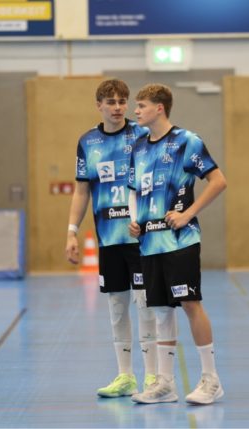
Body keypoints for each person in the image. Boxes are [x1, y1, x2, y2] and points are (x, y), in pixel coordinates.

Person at [127, 83, 227, 405]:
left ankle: (211, 379)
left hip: (180, 241)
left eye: (141, 105)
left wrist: (188, 214)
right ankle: (165, 383)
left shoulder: (187, 141)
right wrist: (134, 219)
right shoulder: (138, 147)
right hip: (149, 243)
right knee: (160, 311)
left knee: (190, 304)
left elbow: (218, 181)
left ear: (159, 108)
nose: (135, 111)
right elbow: (133, 190)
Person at [65, 79, 157, 398]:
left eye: (122, 102)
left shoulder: (142, 135)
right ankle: (125, 376)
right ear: (99, 106)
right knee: (117, 307)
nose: (118, 108)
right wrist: (72, 231)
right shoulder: (87, 142)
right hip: (109, 239)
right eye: (111, 102)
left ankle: (153, 376)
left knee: (145, 304)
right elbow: (82, 190)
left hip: (140, 238)